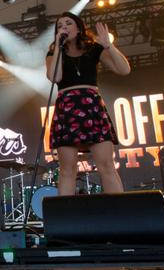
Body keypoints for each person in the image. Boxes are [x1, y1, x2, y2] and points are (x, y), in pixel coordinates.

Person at [45, 12, 130, 196]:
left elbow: (124, 69)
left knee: (106, 164)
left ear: (78, 27)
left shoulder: (93, 49)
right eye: (60, 26)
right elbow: (55, 77)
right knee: (67, 170)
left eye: (68, 23)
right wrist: (58, 48)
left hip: (91, 107)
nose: (64, 27)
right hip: (67, 109)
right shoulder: (54, 52)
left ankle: (120, 213)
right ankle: (66, 220)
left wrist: (109, 46)